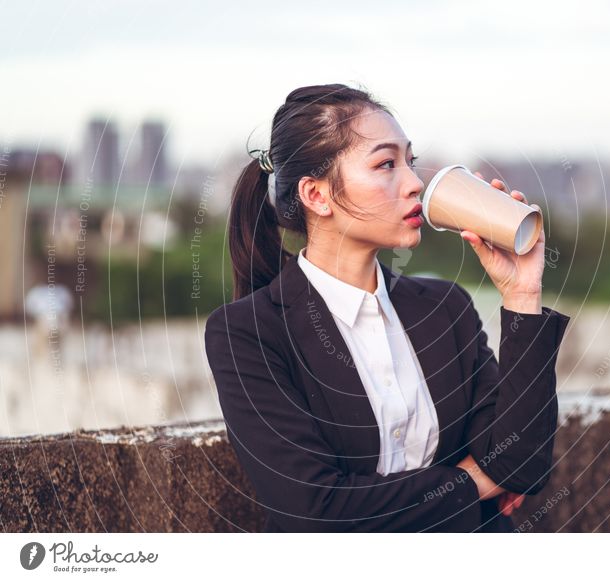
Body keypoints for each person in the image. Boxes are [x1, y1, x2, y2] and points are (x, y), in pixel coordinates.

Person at [204, 83, 570, 532]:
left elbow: (522, 463)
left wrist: (522, 294)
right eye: (385, 164)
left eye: (409, 162)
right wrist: (471, 482)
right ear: (317, 196)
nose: (415, 183)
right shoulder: (248, 332)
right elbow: (313, 513)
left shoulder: (444, 310)